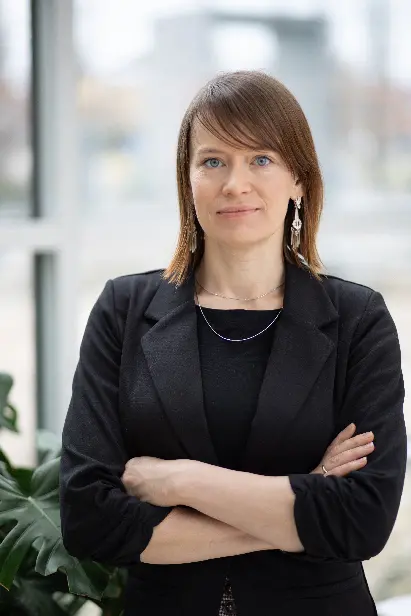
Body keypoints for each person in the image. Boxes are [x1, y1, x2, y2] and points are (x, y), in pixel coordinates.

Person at [59, 70, 407, 616]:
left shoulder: (357, 319)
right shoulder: (123, 310)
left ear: (299, 179)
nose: (235, 183)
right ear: (188, 179)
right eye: (213, 161)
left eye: (261, 159)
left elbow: (361, 522)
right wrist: (306, 495)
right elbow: (91, 521)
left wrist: (181, 480)